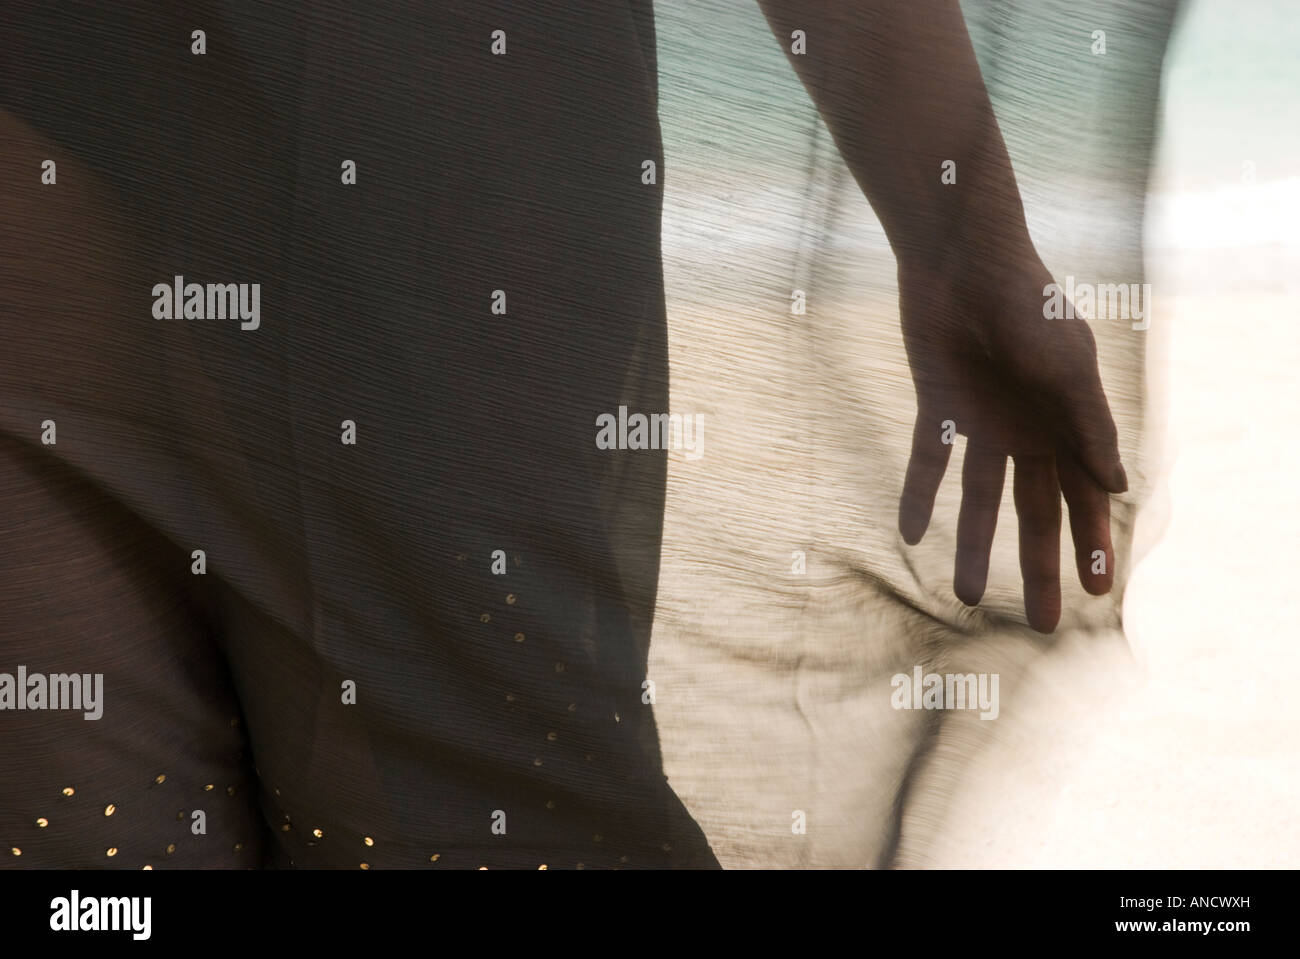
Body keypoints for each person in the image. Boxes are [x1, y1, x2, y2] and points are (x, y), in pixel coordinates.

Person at [0, 0, 1166, 869]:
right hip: (436, 111)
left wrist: (969, 243)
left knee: (99, 812)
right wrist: (965, 240)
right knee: (475, 764)